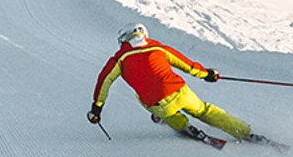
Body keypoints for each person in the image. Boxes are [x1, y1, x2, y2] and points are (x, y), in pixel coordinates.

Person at [89, 24, 256, 142]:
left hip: (157, 102)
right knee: (204, 110)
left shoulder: (119, 58)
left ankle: (182, 125)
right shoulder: (158, 48)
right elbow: (188, 66)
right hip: (180, 91)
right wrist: (207, 74)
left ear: (124, 40)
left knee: (143, 97)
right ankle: (244, 132)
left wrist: (97, 108)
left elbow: (103, 82)